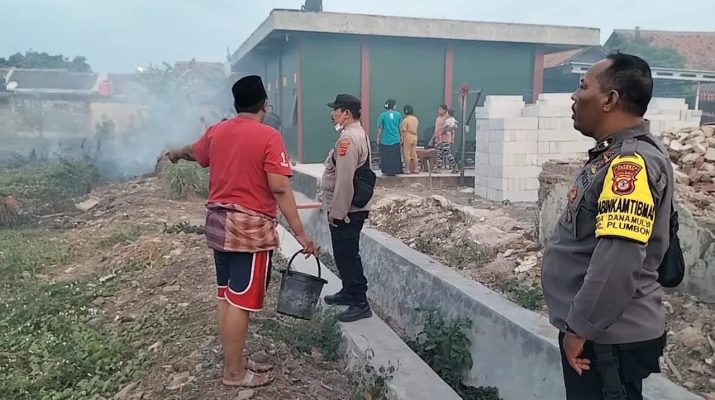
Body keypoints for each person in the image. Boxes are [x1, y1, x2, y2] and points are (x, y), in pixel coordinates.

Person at [166, 75, 317, 389]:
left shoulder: (217, 131)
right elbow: (279, 188)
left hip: (217, 225)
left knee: (226, 296)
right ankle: (233, 373)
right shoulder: (269, 136)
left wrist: (176, 152)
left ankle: (233, 360)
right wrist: (301, 234)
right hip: (249, 230)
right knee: (241, 303)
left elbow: (195, 152)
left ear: (235, 104)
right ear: (265, 105)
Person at [541, 53, 672, 400]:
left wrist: (581, 328)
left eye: (583, 87)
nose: (574, 96)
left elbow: (618, 259)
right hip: (601, 333)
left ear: (610, 100)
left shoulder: (630, 163)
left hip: (604, 340)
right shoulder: (614, 155)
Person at [321, 94, 373, 323]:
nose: (333, 114)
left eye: (336, 110)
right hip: (349, 209)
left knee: (348, 255)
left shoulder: (348, 139)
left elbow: (344, 179)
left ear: (346, 113)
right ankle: (349, 291)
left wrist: (338, 213)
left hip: (348, 211)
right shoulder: (355, 134)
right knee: (343, 253)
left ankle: (360, 302)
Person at [376, 98, 403, 176]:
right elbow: (400, 126)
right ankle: (395, 170)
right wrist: (401, 136)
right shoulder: (398, 114)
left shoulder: (383, 115)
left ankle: (386, 170)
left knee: (386, 156)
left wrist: (378, 137)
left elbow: (380, 127)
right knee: (395, 156)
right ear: (393, 105)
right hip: (395, 138)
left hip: (385, 139)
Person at [400, 104, 419, 174]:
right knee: (414, 153)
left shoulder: (405, 120)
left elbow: (404, 130)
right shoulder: (416, 119)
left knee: (407, 153)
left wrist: (402, 139)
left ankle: (407, 169)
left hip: (408, 137)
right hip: (415, 136)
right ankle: (416, 169)